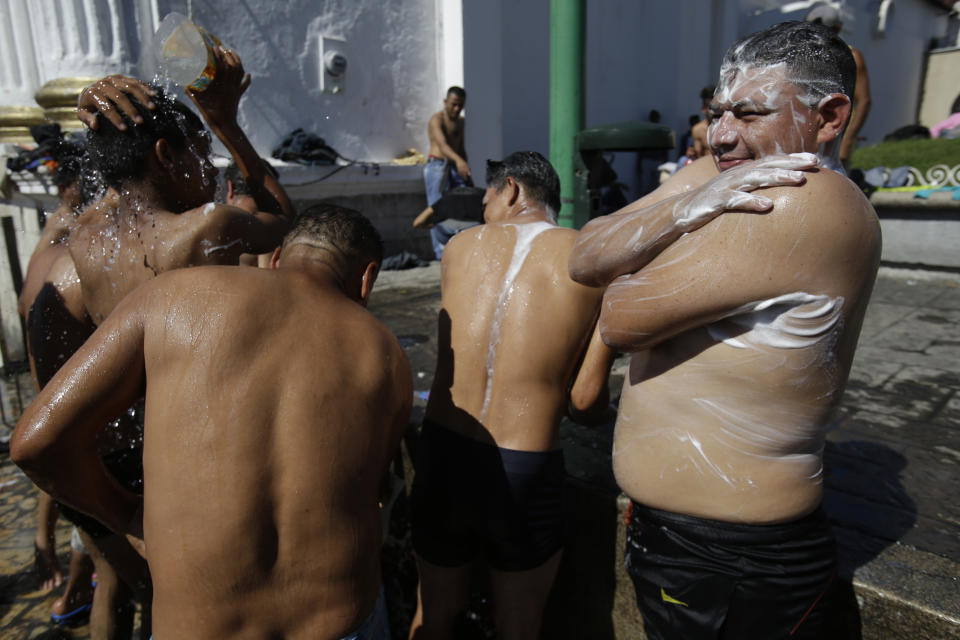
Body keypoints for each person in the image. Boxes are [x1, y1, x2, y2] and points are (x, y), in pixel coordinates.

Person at [569, 21, 880, 639]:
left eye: (749, 112)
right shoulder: (729, 171)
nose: (722, 135)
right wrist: (688, 207)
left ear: (829, 116)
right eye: (718, 112)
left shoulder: (801, 198)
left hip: (736, 560)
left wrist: (662, 231)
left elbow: (621, 312)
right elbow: (584, 255)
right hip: (689, 545)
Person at [12, 204, 413, 640]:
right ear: (367, 278)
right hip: (339, 626)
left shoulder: (171, 296)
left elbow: (36, 443)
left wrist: (128, 515)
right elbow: (375, 491)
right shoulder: (385, 352)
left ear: (276, 258)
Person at [408, 151, 615, 640]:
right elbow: (585, 406)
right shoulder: (591, 260)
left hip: (442, 451)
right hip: (524, 466)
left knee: (433, 619)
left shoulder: (459, 247)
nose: (484, 210)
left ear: (513, 189)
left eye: (487, 198)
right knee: (519, 629)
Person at [805, 2, 871, 169]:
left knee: (833, 185)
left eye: (826, 30)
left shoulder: (851, 56)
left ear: (838, 28)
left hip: (835, 137)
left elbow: (864, 101)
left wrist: (847, 139)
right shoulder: (804, 56)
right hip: (808, 134)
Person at [411, 186, 484, 260]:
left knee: (439, 228)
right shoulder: (482, 196)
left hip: (447, 233)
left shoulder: (446, 198)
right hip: (474, 232)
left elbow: (417, 222)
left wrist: (432, 225)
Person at [690, 85, 715, 160]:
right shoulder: (698, 130)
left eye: (717, 107)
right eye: (711, 107)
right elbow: (698, 156)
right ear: (704, 109)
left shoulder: (729, 127)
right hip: (706, 167)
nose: (714, 111)